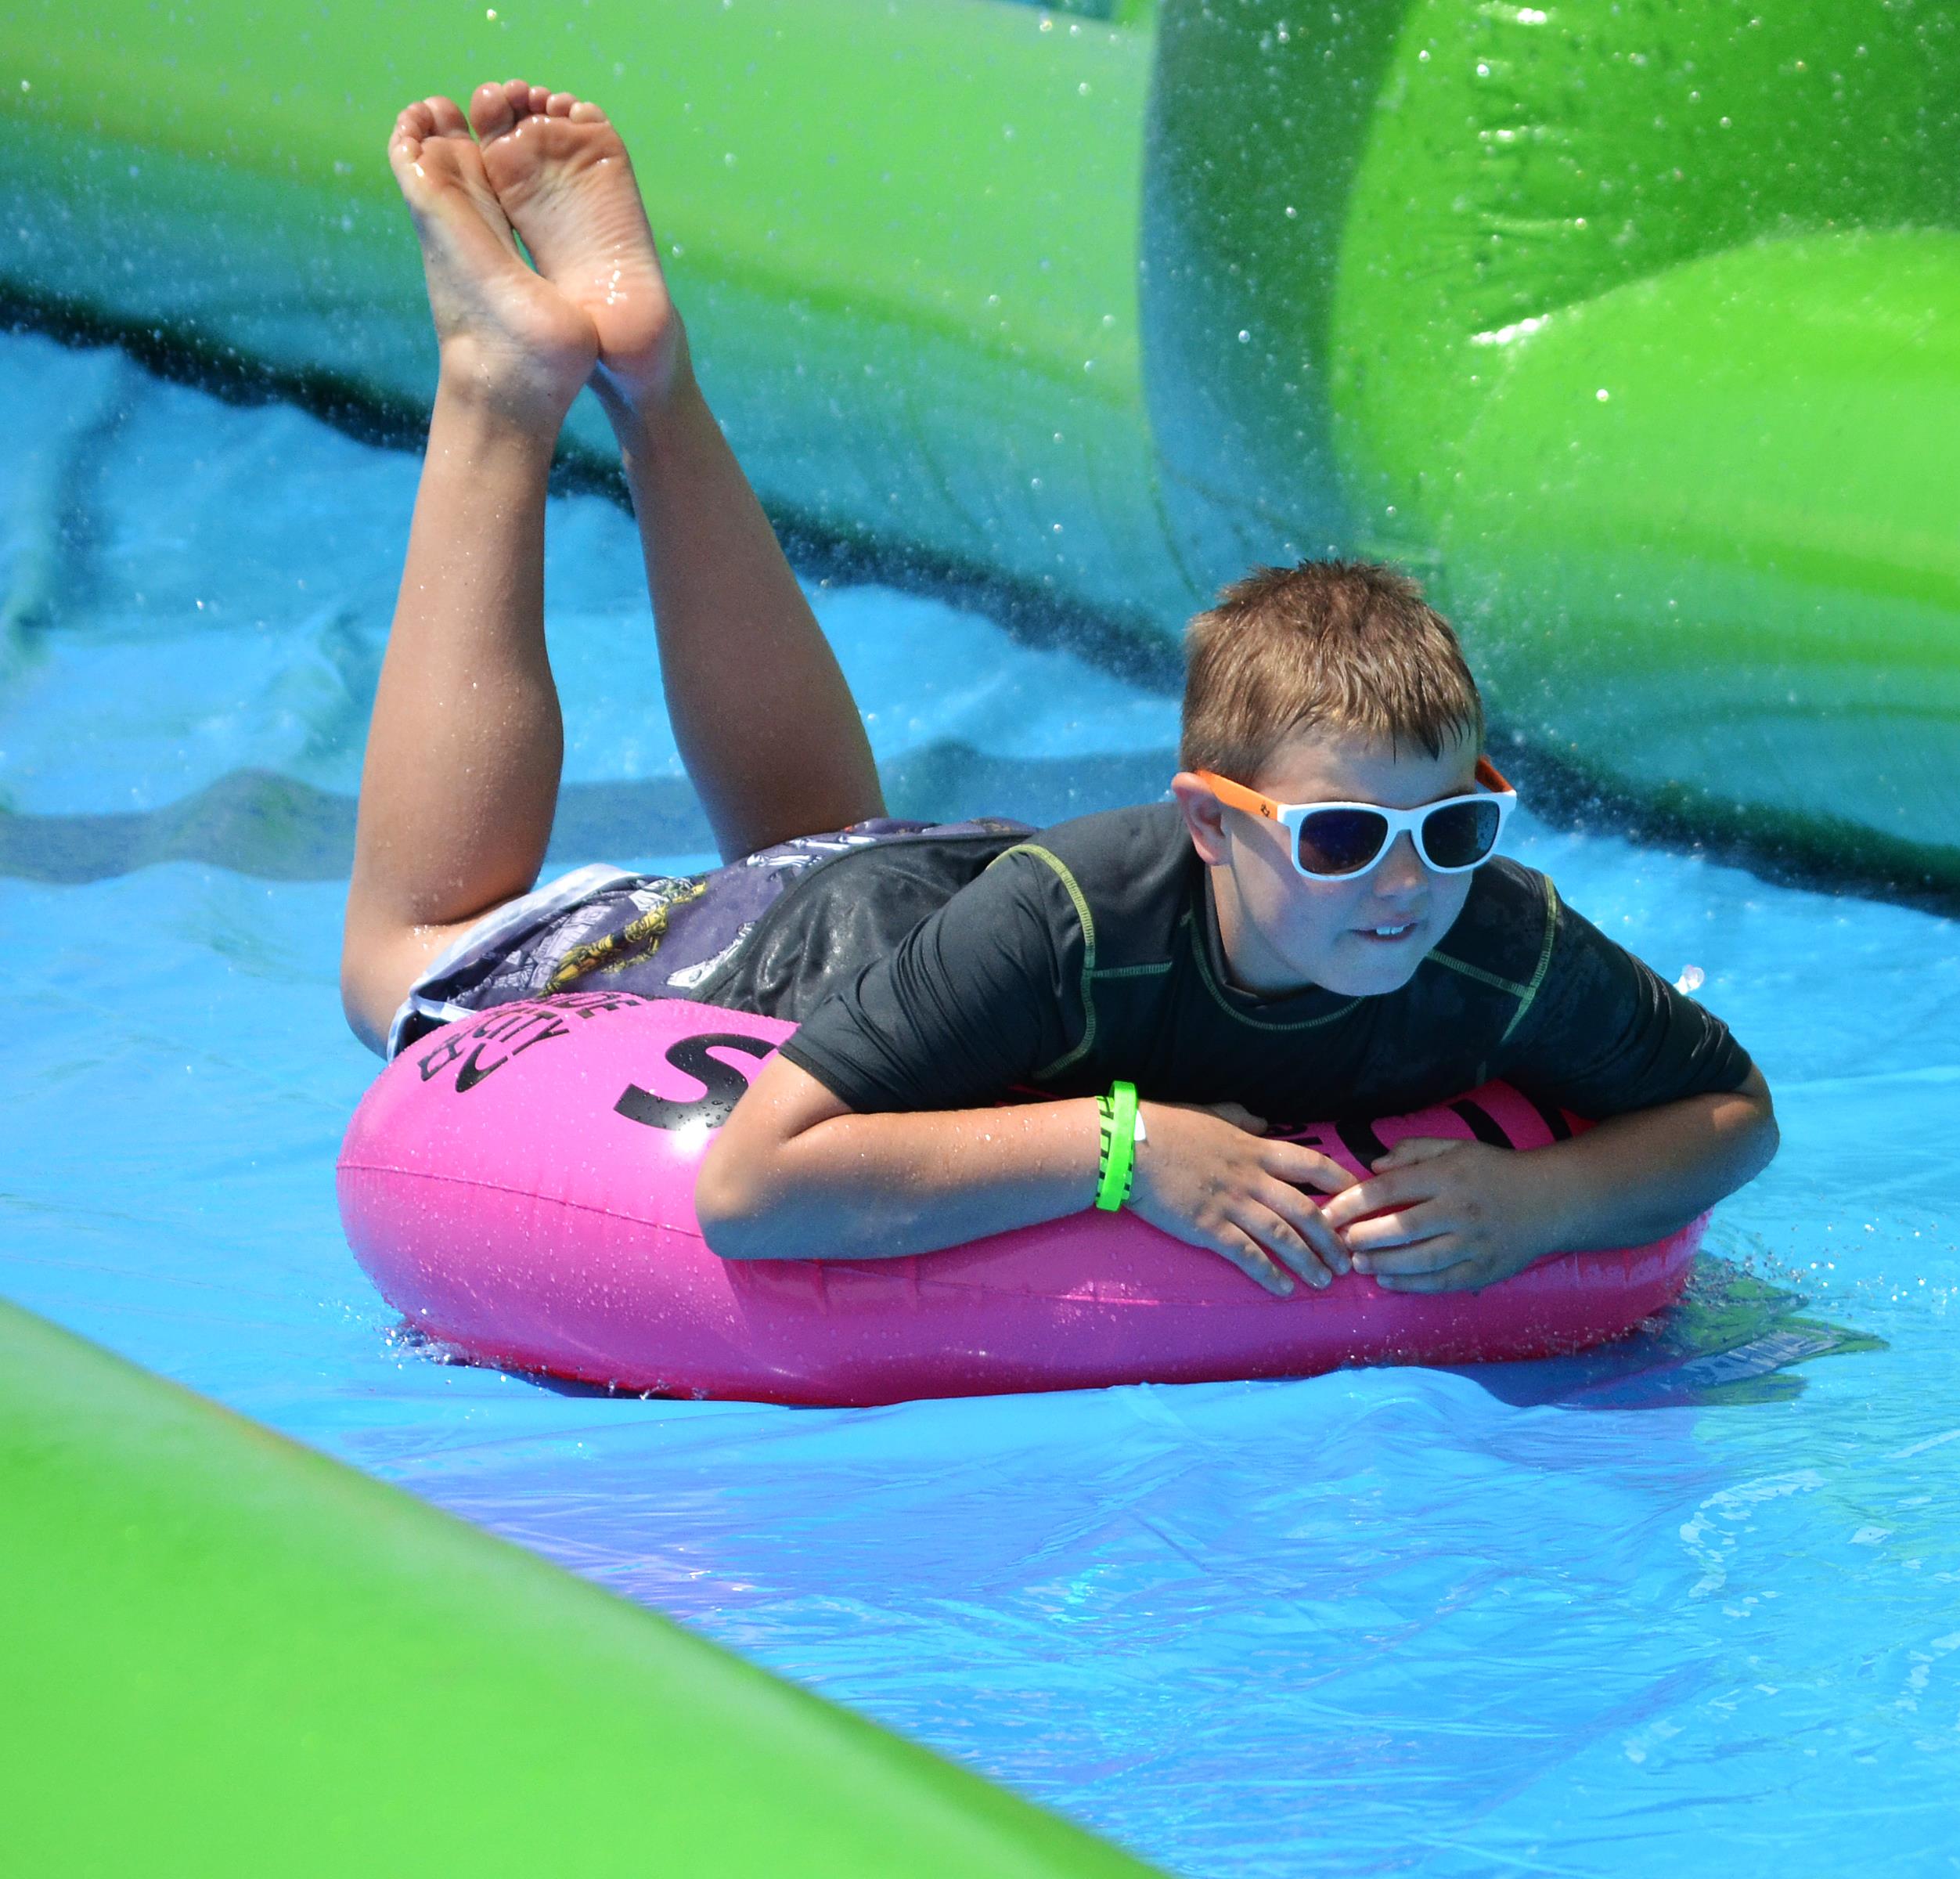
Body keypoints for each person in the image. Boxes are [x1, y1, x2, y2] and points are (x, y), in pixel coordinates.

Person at [347, 82, 1774, 1299]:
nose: (1406, 884)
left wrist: (1545, 1206)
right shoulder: (1078, 927)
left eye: (1452, 829)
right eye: (1341, 839)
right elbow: (750, 1188)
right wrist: (1125, 1149)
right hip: (823, 945)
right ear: (1211, 823)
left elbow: (1731, 1113)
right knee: (404, 957)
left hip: (932, 902)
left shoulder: (1494, 939)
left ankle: (653, 373)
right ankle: (502, 377)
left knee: (820, 837)